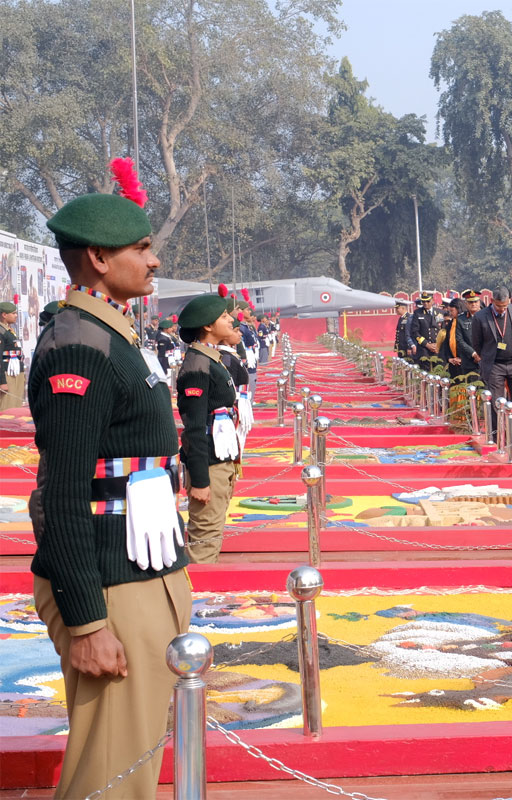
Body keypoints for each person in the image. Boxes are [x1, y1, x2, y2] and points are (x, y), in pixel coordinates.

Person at [34, 183, 191, 798]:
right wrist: (88, 622)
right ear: (99, 257)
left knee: (136, 757)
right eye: (142, 248)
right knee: (111, 772)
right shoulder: (80, 345)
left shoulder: (111, 334)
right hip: (108, 581)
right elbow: (63, 494)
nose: (155, 260)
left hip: (139, 567)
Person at [176, 294, 241, 564]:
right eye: (224, 317)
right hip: (209, 465)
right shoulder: (198, 365)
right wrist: (201, 481)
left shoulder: (211, 358)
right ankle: (197, 590)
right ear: (207, 326)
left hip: (220, 460)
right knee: (204, 540)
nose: (231, 320)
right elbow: (194, 428)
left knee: (212, 535)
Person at [470, 287, 512, 431]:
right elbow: (477, 343)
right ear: (492, 301)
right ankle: (498, 437)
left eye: (505, 306)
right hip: (494, 365)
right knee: (496, 404)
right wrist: (486, 357)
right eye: (498, 306)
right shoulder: (480, 317)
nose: (502, 309)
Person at [437, 298, 476, 380]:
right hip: (453, 362)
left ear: (459, 309)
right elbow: (447, 343)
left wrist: (462, 358)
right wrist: (449, 358)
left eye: (452, 311)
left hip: (467, 361)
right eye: (449, 311)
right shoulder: (451, 323)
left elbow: (466, 342)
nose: (450, 313)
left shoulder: (466, 322)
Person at [0, 300, 25, 410]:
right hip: (7, 375)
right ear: (4, 315)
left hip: (16, 373)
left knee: (16, 407)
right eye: (13, 313)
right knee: (7, 408)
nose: (16, 316)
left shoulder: (8, 330)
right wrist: (2, 381)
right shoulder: (1, 332)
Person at [409, 291, 439, 368]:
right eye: (423, 301)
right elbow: (415, 332)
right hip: (424, 349)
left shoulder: (440, 312)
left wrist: (438, 345)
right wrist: (427, 345)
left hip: (438, 348)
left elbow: (444, 331)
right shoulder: (418, 313)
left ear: (433, 301)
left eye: (428, 301)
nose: (425, 303)